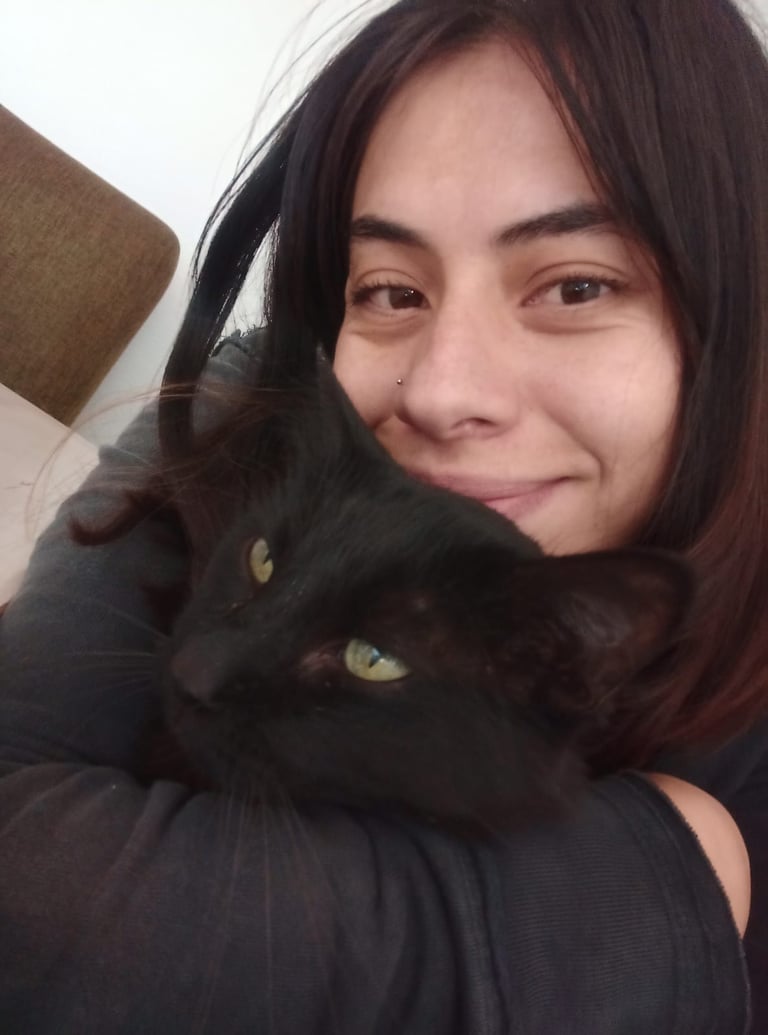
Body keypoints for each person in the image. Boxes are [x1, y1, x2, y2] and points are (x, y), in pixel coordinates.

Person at [0, 0, 765, 1030]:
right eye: (393, 291)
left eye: (577, 285)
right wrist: (655, 881)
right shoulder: (272, 404)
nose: (442, 391)